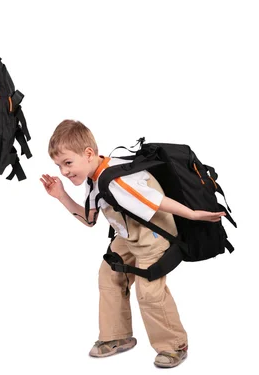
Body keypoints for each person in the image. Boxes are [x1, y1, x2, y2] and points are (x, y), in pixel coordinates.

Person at [40, 119, 225, 369]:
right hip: (129, 234)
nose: (63, 171)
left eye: (67, 162)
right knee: (110, 274)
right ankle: (117, 335)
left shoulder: (117, 180)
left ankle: (174, 345)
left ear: (88, 153)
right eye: (58, 165)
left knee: (149, 291)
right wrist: (61, 196)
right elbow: (89, 219)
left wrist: (192, 215)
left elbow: (157, 201)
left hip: (154, 233)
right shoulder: (93, 180)